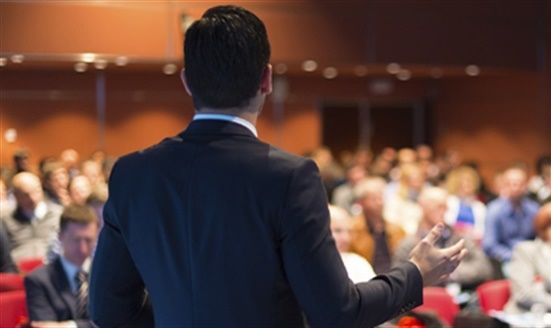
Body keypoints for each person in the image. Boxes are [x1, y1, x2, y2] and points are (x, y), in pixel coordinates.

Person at [89, 6, 466, 327]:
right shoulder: (288, 178)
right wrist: (414, 273)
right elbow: (336, 313)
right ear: (266, 78)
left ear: (187, 82)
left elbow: (107, 310)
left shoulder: (132, 174)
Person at [394, 188, 492, 289]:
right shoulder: (409, 243)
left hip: (464, 295)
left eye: (445, 207)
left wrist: (449, 273)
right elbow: (400, 280)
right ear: (423, 206)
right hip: (427, 300)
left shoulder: (459, 237)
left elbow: (484, 268)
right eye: (438, 206)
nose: (443, 211)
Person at [25, 205, 98, 328]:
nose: (83, 249)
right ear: (60, 236)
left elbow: (115, 321)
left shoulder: (106, 275)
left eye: (89, 240)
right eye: (76, 240)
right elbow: (43, 326)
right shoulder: (38, 280)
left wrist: (71, 326)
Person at [349, 177, 407, 274]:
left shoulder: (397, 229)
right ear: (361, 202)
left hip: (394, 278)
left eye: (381, 198)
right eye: (374, 199)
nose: (379, 203)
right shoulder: (351, 230)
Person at [483, 166, 540, 264]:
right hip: (506, 260)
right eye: (511, 184)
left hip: (531, 257)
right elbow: (489, 245)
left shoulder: (534, 209)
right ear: (504, 186)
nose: (516, 188)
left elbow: (540, 238)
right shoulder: (494, 210)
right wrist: (513, 257)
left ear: (526, 185)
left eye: (520, 184)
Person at [1, 172, 61, 262]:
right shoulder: (5, 219)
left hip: (50, 269)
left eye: (36, 191)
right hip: (19, 270)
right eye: (26, 195)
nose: (32, 198)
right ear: (16, 196)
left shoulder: (57, 213)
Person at [329, 205, 375, 284]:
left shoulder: (357, 262)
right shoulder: (308, 266)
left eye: (349, 231)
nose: (346, 238)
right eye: (337, 231)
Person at [443, 165, 487, 243]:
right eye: (464, 181)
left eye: (470, 181)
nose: (468, 184)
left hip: (474, 242)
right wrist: (462, 228)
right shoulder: (449, 201)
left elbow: (482, 230)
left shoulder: (479, 206)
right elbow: (446, 222)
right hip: (450, 240)